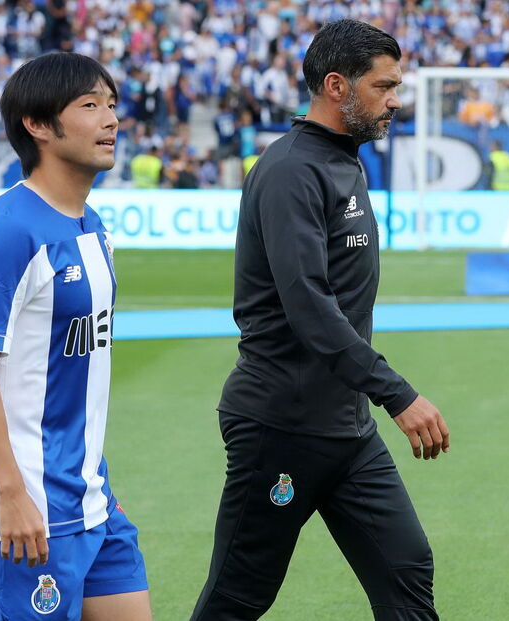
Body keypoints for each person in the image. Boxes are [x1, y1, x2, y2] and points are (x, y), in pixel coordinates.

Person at [191, 20, 450, 621]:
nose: (395, 99)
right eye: (384, 87)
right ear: (337, 86)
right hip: (280, 423)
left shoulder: (347, 162)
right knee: (237, 597)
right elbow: (309, 306)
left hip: (346, 429)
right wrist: (398, 394)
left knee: (407, 571)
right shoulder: (289, 171)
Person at [0, 52, 150, 621]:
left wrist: (94, 483)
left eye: (111, 104)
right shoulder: (11, 230)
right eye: (90, 106)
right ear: (38, 126)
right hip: (27, 506)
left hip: (90, 497)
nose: (110, 119)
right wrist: (13, 494)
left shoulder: (91, 223)